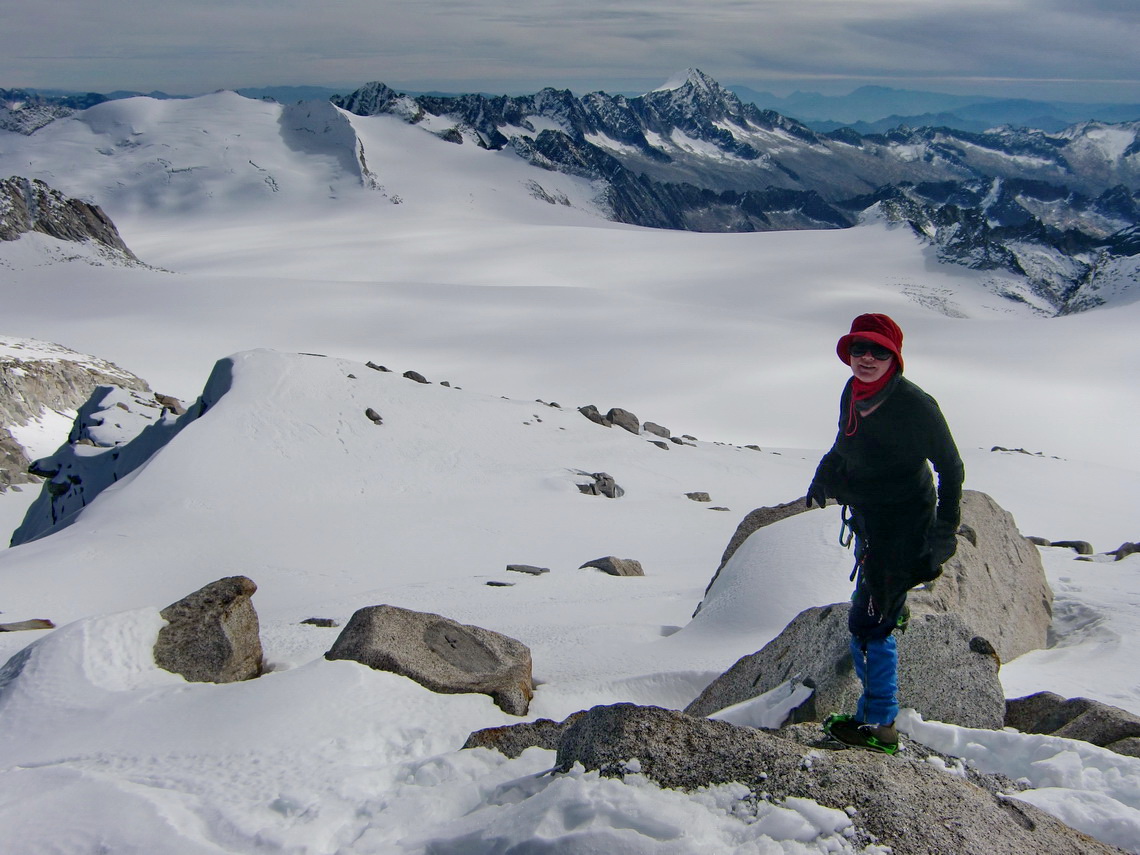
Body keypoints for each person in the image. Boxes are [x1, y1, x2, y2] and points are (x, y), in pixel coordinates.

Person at [805, 313, 964, 754]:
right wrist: (827, 470)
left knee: (868, 625)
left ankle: (880, 726)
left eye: (878, 350)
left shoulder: (915, 405)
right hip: (872, 517)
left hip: (903, 523)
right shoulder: (854, 391)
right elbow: (845, 439)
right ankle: (893, 603)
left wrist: (942, 532)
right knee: (877, 607)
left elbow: (950, 468)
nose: (867, 358)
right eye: (859, 349)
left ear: (894, 357)